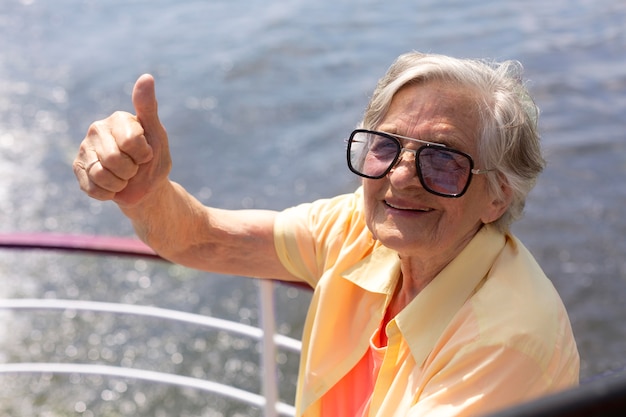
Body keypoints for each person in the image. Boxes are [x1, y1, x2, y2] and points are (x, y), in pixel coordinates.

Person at [73, 52, 579, 416]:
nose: (400, 176)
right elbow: (202, 238)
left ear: (498, 195)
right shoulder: (361, 230)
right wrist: (146, 191)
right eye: (385, 146)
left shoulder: (507, 341)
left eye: (443, 158)